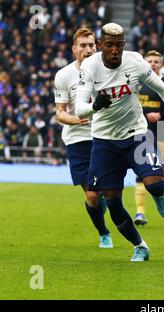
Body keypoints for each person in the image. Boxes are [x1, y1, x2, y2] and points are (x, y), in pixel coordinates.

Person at [75, 23, 164, 262]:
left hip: (136, 134)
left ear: (124, 45)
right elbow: (80, 107)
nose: (114, 50)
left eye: (118, 45)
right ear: (100, 46)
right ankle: (140, 246)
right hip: (104, 140)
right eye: (109, 45)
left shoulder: (136, 62)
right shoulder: (90, 67)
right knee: (112, 201)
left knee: (154, 183)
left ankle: (160, 195)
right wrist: (94, 106)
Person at [54, 27, 113, 249]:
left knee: (107, 191)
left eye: (91, 45)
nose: (88, 50)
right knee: (92, 197)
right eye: (83, 46)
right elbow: (59, 113)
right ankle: (103, 232)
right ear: (74, 49)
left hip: (105, 136)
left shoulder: (108, 70)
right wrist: (76, 120)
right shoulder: (63, 75)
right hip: (77, 140)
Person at [133, 50, 164, 226]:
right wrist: (145, 115)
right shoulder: (137, 83)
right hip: (142, 131)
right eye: (150, 61)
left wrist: (160, 114)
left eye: (156, 61)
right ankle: (140, 212)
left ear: (161, 64)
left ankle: (160, 194)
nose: (153, 63)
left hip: (163, 130)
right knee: (142, 170)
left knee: (160, 171)